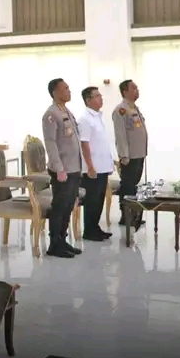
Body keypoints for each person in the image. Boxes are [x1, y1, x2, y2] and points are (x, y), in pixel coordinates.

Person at [41, 78, 83, 258]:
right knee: (59, 207)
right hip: (63, 170)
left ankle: (62, 240)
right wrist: (59, 168)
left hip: (73, 167)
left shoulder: (66, 111)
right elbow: (50, 143)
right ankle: (54, 244)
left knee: (68, 206)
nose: (69, 91)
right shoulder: (51, 114)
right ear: (55, 92)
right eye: (65, 88)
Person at [78, 86, 113, 241]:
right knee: (92, 200)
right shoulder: (85, 119)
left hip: (103, 166)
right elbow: (84, 144)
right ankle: (89, 230)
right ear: (88, 100)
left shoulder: (99, 117)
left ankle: (95, 227)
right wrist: (90, 166)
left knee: (99, 199)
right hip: (93, 168)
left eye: (100, 95)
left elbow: (102, 142)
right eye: (97, 96)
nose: (101, 98)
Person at [112, 79, 148, 228]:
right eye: (134, 88)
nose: (137, 90)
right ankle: (126, 216)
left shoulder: (134, 108)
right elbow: (120, 134)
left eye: (137, 88)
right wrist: (124, 155)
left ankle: (134, 214)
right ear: (125, 91)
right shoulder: (121, 110)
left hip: (139, 153)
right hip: (130, 156)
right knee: (127, 185)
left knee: (133, 185)